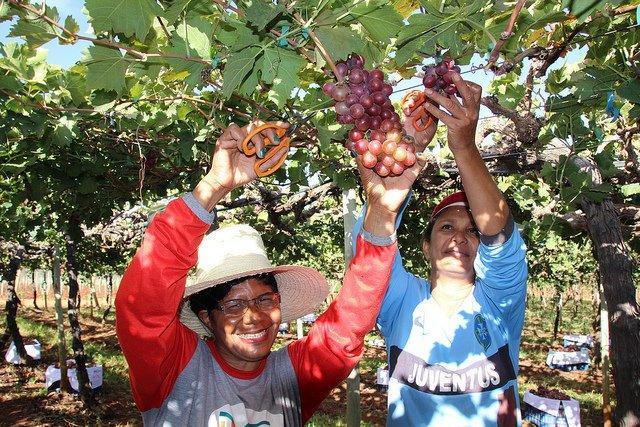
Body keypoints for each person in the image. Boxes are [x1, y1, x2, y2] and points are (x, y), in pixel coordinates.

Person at [115, 120, 420, 425]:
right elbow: (144, 309)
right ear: (207, 316)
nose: (253, 317)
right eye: (233, 304)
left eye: (265, 300)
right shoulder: (174, 367)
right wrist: (212, 188)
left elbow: (348, 327)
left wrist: (380, 215)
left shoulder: (294, 377)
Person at [354, 73, 528, 425]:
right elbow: (371, 255)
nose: (459, 237)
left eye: (472, 231)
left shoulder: (500, 301)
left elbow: (499, 231)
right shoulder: (402, 299)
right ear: (426, 246)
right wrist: (403, 153)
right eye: (447, 227)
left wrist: (464, 146)